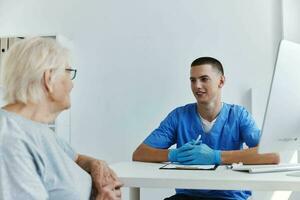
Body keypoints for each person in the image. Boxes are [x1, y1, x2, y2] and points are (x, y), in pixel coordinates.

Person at [132, 57, 280, 200]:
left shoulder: (238, 115)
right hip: (187, 197)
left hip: (229, 197)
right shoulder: (179, 116)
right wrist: (174, 155)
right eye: (193, 80)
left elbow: (272, 154)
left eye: (204, 79)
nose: (197, 85)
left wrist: (216, 156)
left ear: (221, 81)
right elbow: (140, 153)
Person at [0, 37, 122, 200]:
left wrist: (96, 165)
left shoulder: (37, 129)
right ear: (49, 78)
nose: (72, 85)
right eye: (68, 72)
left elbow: (76, 158)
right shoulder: (10, 140)